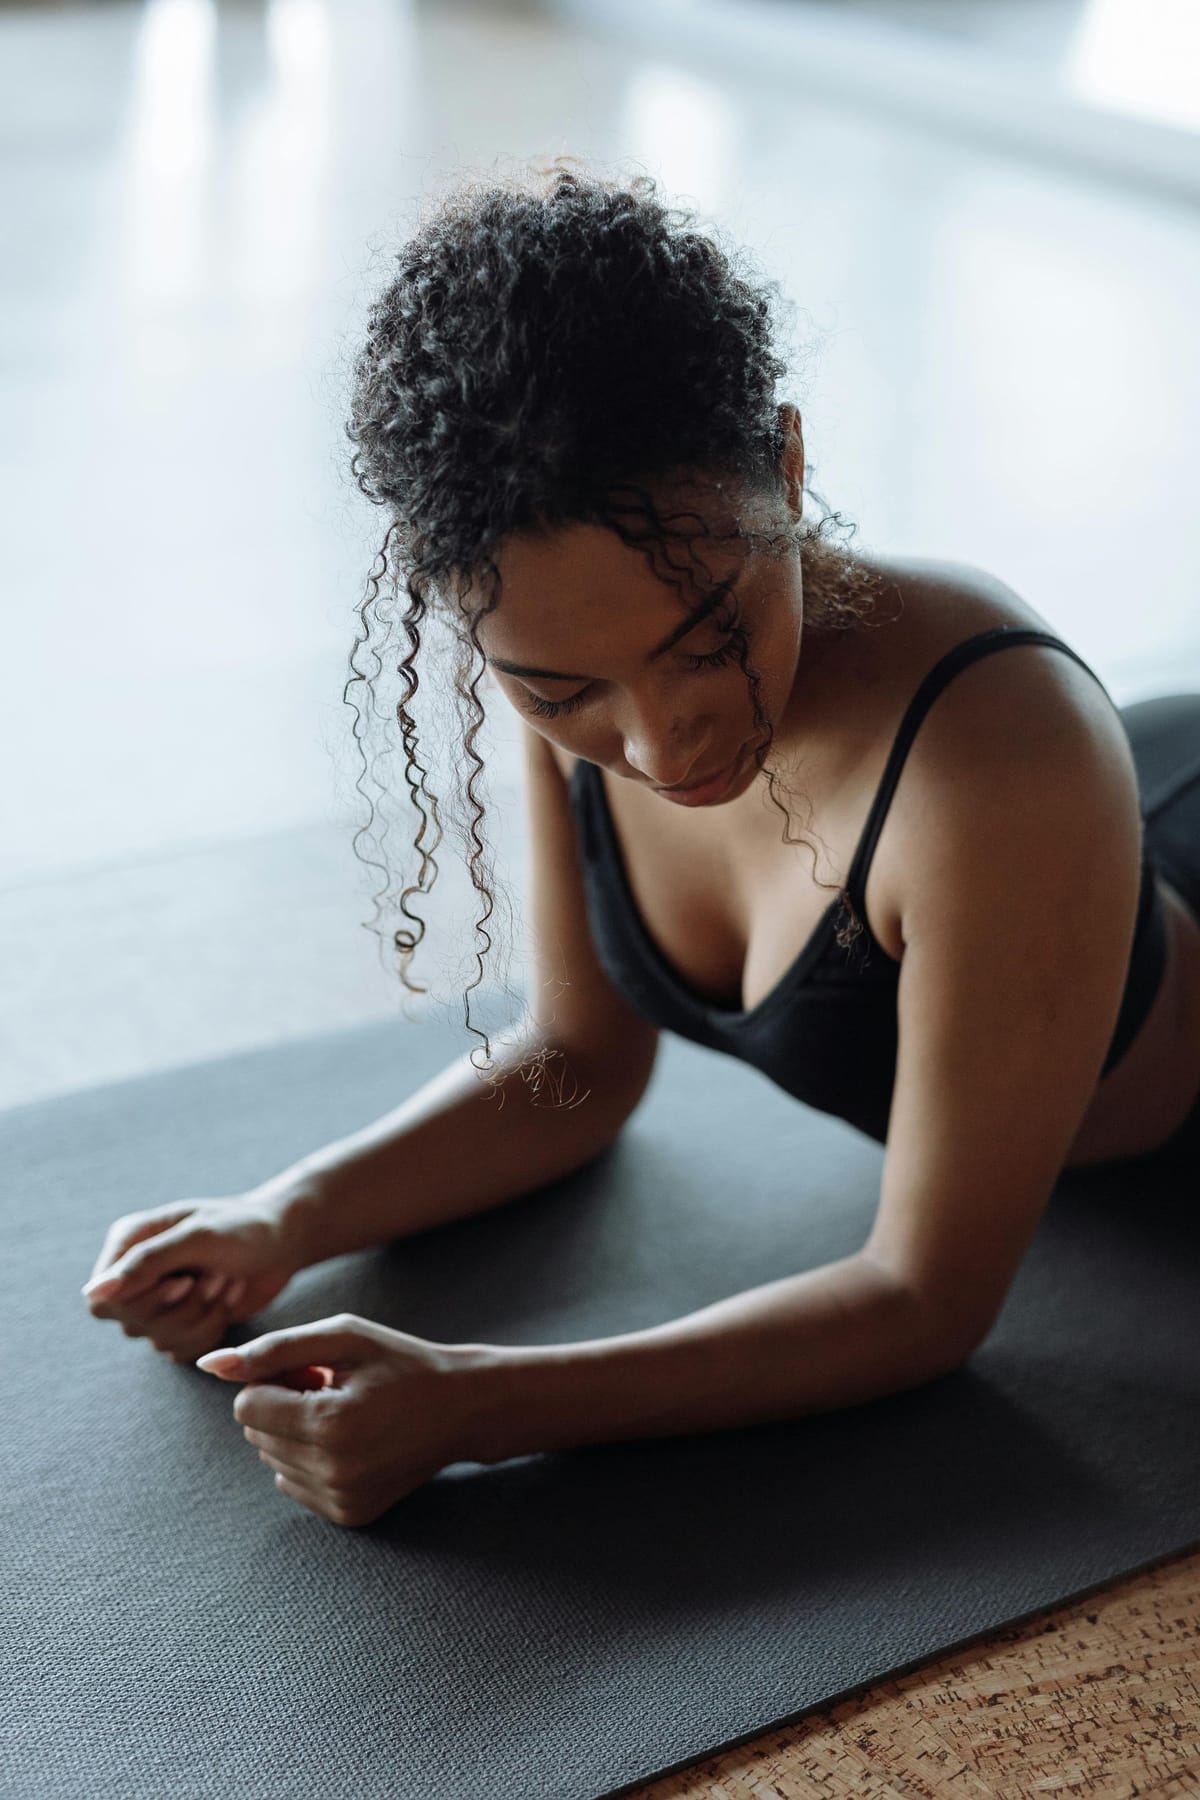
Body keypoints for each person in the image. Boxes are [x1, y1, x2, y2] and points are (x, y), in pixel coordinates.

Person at [81, 161, 1200, 1529]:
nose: (666, 750)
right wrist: (288, 1217)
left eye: (712, 638)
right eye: (562, 693)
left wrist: (476, 1403)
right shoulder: (577, 649)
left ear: (787, 467)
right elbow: (578, 1063)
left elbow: (927, 1301)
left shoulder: (998, 760)